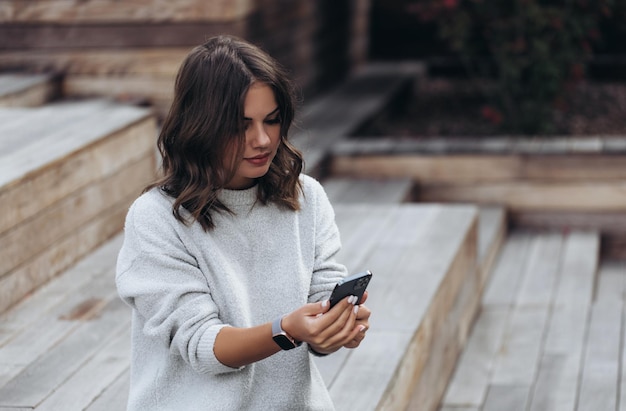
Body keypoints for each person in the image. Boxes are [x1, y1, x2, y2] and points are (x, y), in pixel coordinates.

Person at [115, 34, 371, 410]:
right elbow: (203, 345)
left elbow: (320, 298)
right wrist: (285, 330)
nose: (262, 139)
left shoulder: (307, 197)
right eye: (241, 126)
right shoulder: (155, 218)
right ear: (201, 126)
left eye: (272, 120)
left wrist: (335, 327)